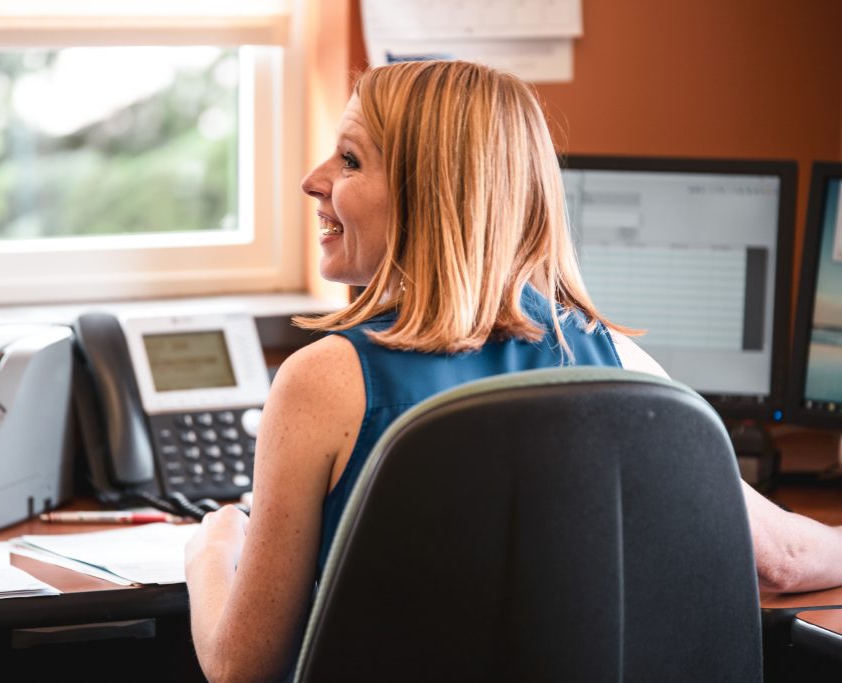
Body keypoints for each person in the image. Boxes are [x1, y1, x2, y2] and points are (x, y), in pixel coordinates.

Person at [184, 59, 842, 683]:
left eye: (350, 159)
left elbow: (243, 667)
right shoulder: (617, 363)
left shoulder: (320, 381)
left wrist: (212, 548)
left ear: (432, 192)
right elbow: (782, 560)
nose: (314, 178)